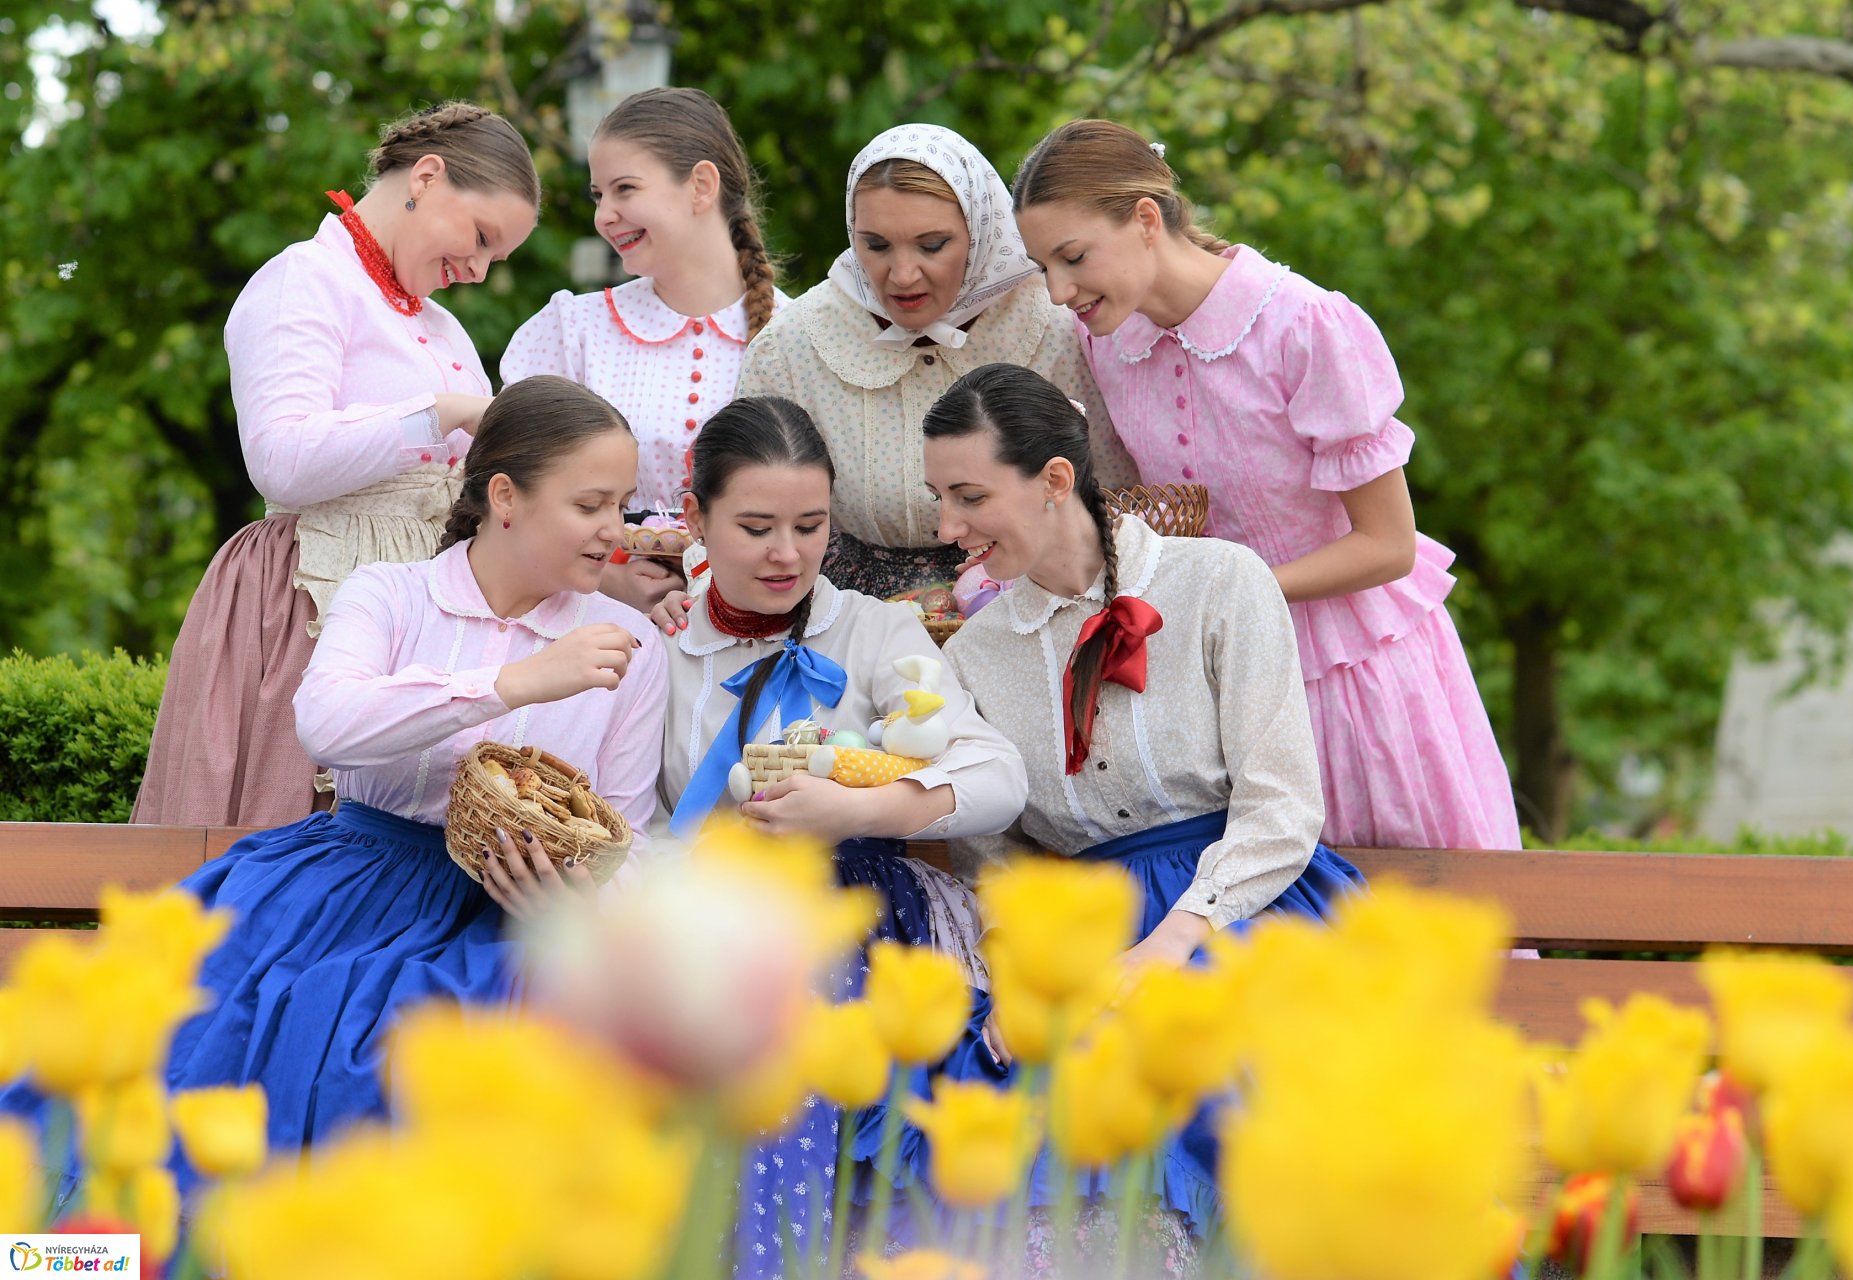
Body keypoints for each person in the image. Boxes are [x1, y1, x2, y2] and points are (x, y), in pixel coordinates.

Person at [6, 377, 666, 1199]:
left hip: (506, 925)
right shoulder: (388, 594)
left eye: (625, 504)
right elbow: (327, 724)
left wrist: (573, 900)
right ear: (506, 496)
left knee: (423, 1075)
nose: (618, 530)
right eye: (592, 504)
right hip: (339, 888)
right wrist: (517, 682)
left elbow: (630, 834)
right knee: (201, 1040)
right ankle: (75, 1261)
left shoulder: (630, 642)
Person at [923, 362, 1366, 1259]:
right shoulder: (974, 655)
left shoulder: (1221, 582)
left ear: (1054, 479)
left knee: (1204, 1064)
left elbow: (1282, 807)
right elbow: (993, 852)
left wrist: (1174, 941)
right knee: (1021, 1097)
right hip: (1086, 931)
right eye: (938, 498)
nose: (946, 529)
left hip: (1247, 905)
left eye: (968, 496)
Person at [1009, 119, 1522, 852]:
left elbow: (1388, 547)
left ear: (1147, 220)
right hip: (1221, 678)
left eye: (1073, 257)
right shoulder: (1106, 340)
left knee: (1401, 929)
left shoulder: (1303, 326)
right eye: (1043, 268)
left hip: (1354, 677)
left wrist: (1230, 594)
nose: (1059, 291)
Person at [655, 394, 1025, 1272]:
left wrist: (861, 810)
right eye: (754, 527)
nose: (788, 554)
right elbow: (630, 823)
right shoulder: (659, 652)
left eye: (810, 525)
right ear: (693, 518)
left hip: (851, 916)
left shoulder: (875, 629)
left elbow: (997, 774)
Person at [134, 102, 541, 828]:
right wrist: (441, 414)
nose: (477, 271)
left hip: (418, 622)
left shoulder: (440, 326)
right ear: (426, 176)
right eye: (480, 238)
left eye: (494, 258)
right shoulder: (305, 279)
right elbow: (282, 460)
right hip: (305, 602)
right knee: (285, 832)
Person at [734, 122, 1137, 601]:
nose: (902, 275)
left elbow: (1117, 498)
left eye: (932, 245)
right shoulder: (793, 346)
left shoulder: (1060, 327)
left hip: (1044, 607)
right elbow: (740, 504)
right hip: (849, 622)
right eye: (876, 245)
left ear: (981, 230)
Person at [502, 87, 784, 613]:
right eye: (597, 195)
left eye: (624, 189)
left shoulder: (797, 335)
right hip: (598, 637)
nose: (604, 215)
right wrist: (608, 583)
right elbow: (510, 499)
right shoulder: (574, 330)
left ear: (700, 186)